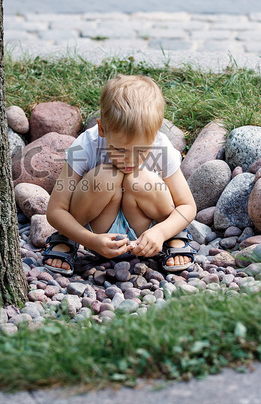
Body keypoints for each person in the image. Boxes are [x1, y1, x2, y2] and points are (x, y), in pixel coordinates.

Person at [44, 74, 197, 277]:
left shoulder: (161, 146)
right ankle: (68, 237)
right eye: (121, 150)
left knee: (139, 180)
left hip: (146, 231)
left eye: (141, 151)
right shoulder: (85, 145)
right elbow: (56, 210)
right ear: (101, 129)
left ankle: (172, 236)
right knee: (106, 176)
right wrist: (90, 240)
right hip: (98, 231)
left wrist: (160, 232)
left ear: (155, 134)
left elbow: (187, 206)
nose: (130, 161)